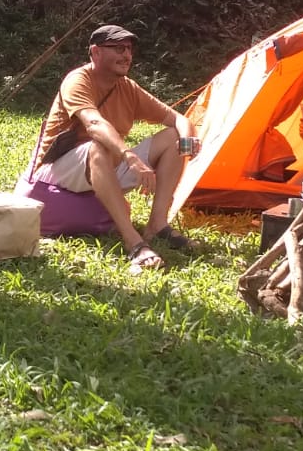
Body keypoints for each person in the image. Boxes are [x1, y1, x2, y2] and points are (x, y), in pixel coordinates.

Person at [31, 24, 200, 272]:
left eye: (129, 49)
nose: (126, 55)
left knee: (172, 138)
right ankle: (134, 242)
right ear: (96, 52)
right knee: (98, 145)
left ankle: (157, 225)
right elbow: (94, 123)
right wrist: (130, 157)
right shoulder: (78, 80)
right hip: (59, 170)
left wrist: (187, 140)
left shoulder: (127, 88)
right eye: (118, 48)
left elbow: (178, 119)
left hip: (105, 165)